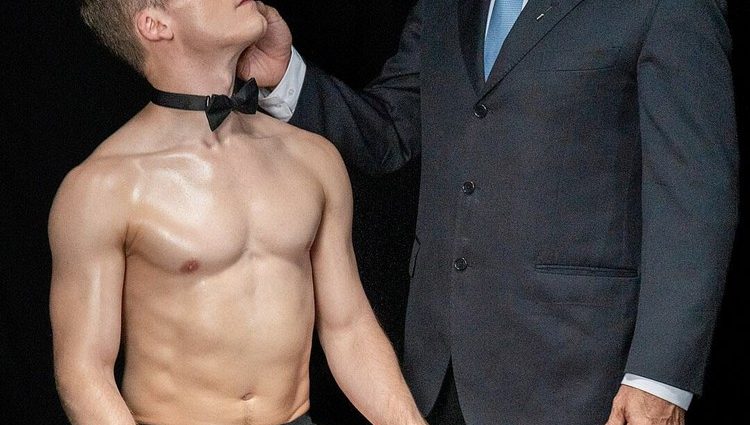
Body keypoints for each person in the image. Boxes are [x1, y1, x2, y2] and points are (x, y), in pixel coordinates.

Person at [241, 0, 739, 424]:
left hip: (582, 378)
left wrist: (659, 379)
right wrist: (286, 76)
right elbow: (388, 132)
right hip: (439, 372)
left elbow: (694, 198)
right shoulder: (444, 7)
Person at [48, 1, 427, 425]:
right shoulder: (101, 188)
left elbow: (349, 329)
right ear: (155, 24)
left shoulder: (313, 158)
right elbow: (84, 373)